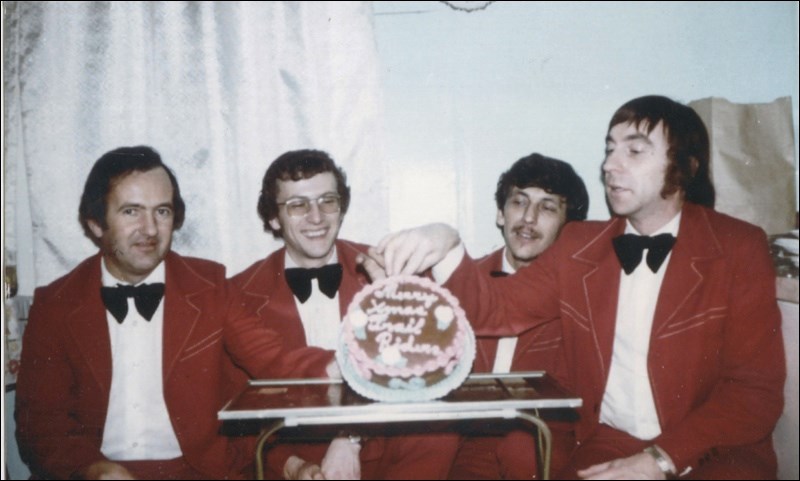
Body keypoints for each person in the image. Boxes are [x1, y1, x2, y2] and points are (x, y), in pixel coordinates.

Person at [368, 95, 785, 479]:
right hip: (609, 443)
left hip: (714, 451)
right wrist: (445, 241)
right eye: (609, 149)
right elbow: (495, 308)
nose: (609, 165)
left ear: (684, 167)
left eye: (634, 151)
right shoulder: (578, 245)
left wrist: (660, 460)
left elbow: (755, 395)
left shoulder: (737, 246)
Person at [15, 146, 336, 480]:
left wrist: (352, 364)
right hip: (95, 470)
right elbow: (38, 425)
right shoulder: (55, 304)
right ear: (96, 222)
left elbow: (275, 359)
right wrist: (91, 469)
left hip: (201, 471)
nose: (150, 229)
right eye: (131, 212)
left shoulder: (210, 287)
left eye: (162, 212)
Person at [230, 149, 459, 480]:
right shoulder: (240, 294)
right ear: (273, 218)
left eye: (327, 201)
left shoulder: (387, 268)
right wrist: (293, 467)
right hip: (296, 458)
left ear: (342, 206)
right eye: (298, 205)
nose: (317, 217)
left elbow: (426, 378)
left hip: (386, 445)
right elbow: (239, 413)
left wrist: (350, 436)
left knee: (438, 431)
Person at [449, 153, 588, 480]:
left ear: (568, 227)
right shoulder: (463, 283)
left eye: (548, 207)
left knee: (522, 451)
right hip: (468, 440)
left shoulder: (580, 294)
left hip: (542, 438)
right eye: (519, 202)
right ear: (500, 213)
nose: (528, 218)